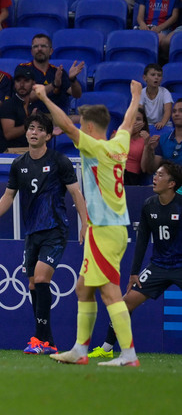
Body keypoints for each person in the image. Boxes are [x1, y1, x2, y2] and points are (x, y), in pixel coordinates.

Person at [36, 79, 143, 368]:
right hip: (112, 229)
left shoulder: (95, 148)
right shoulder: (118, 145)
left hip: (105, 230)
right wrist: (135, 96)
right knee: (83, 288)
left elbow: (68, 129)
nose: (80, 129)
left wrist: (45, 99)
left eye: (83, 124)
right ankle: (80, 350)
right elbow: (129, 124)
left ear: (91, 127)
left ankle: (129, 355)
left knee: (109, 291)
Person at [0, 111, 88, 355]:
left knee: (41, 278)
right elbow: (9, 195)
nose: (33, 132)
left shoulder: (59, 161)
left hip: (55, 228)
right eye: (31, 127)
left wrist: (85, 222)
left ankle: (39, 339)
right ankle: (47, 340)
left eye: (40, 129)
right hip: (32, 232)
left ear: (48, 135)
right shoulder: (19, 164)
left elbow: (75, 193)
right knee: (32, 283)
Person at [88, 162, 182, 364]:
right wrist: (134, 272)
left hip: (180, 265)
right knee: (125, 303)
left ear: (172, 183)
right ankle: (107, 348)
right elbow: (142, 241)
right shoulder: (149, 205)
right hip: (158, 266)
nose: (154, 178)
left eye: (160, 175)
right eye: (155, 174)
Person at [17, 33, 83, 113]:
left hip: (57, 119)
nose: (39, 49)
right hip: (33, 118)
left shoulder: (58, 72)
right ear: (32, 51)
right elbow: (27, 97)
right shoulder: (23, 69)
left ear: (51, 51)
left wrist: (73, 80)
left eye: (43, 46)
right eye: (36, 46)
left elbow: (77, 94)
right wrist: (54, 84)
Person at [0, 65, 46, 154]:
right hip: (8, 153)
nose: (22, 85)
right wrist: (30, 122)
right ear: (14, 84)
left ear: (33, 84)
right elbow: (9, 134)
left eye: (26, 81)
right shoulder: (8, 105)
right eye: (18, 81)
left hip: (27, 151)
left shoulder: (34, 106)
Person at [142, 98, 182, 173]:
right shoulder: (163, 139)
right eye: (174, 111)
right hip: (166, 183)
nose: (176, 114)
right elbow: (153, 169)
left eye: (181, 111)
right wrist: (150, 150)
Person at [125, 106, 152, 186]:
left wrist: (147, 145)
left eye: (138, 119)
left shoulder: (145, 140)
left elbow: (144, 168)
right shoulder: (117, 134)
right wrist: (128, 133)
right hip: (115, 172)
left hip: (132, 177)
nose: (134, 122)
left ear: (143, 123)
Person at [142, 63, 173, 130]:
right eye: (153, 75)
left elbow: (168, 111)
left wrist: (162, 122)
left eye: (159, 75)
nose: (156, 77)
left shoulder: (165, 92)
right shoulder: (141, 93)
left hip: (164, 126)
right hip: (146, 126)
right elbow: (139, 111)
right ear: (144, 78)